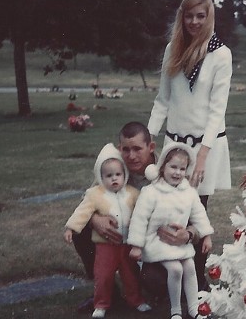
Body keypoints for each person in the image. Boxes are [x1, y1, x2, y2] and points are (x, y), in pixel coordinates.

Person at [147, 0, 232, 291]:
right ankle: (167, 273)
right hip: (174, 146)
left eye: (201, 15)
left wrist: (203, 157)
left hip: (205, 147)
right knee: (169, 208)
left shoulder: (221, 54)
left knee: (197, 212)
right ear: (181, 16)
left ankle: (196, 280)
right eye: (189, 15)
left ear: (209, 17)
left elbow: (216, 110)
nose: (195, 22)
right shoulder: (173, 48)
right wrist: (149, 138)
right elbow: (163, 100)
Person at [71, 122, 197, 311]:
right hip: (124, 236)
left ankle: (161, 291)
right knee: (80, 232)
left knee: (155, 280)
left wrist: (189, 234)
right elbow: (90, 198)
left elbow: (197, 215)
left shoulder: (170, 167)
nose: (131, 156)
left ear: (151, 147)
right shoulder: (115, 166)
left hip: (157, 242)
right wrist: (94, 219)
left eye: (138, 149)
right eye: (126, 149)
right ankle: (107, 292)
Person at [63, 143, 152, 318]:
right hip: (106, 246)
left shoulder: (132, 193)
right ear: (100, 176)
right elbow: (82, 211)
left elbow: (144, 209)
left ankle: (136, 300)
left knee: (130, 275)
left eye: (118, 174)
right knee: (103, 276)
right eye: (108, 175)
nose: (114, 179)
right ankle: (101, 303)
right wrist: (71, 227)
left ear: (124, 174)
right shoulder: (95, 194)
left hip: (127, 244)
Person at [128, 143, 214, 319]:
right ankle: (175, 310)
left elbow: (199, 214)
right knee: (175, 269)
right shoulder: (151, 191)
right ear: (162, 167)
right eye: (173, 167)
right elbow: (139, 218)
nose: (177, 172)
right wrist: (136, 245)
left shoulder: (188, 191)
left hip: (178, 243)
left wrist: (206, 235)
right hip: (156, 242)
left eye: (182, 169)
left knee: (189, 266)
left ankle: (193, 308)